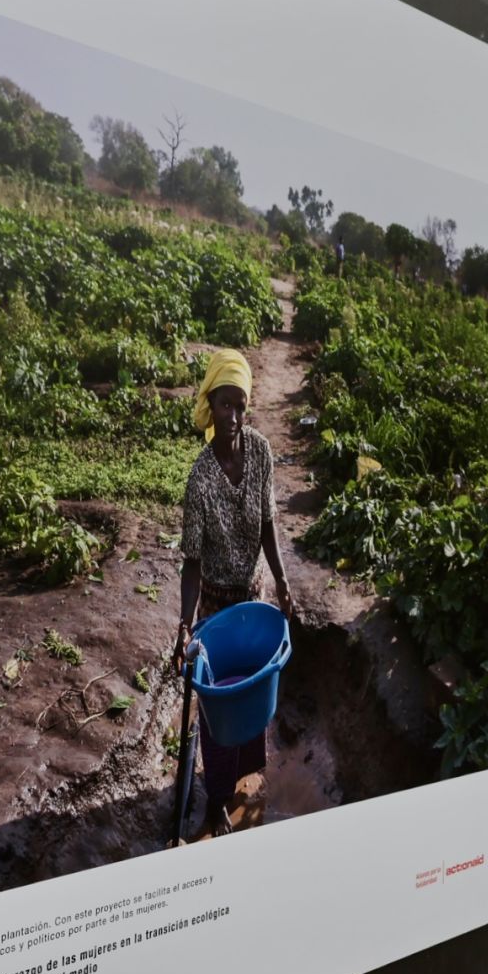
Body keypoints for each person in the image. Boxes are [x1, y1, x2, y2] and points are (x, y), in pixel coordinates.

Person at [174, 349, 293, 838]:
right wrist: (185, 624)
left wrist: (281, 581)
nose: (234, 417)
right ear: (211, 404)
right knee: (219, 709)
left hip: (252, 594)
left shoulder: (260, 452)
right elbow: (192, 562)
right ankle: (217, 799)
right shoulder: (200, 478)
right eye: (226, 405)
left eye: (241, 406)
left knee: (252, 690)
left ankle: (244, 779)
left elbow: (268, 524)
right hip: (217, 607)